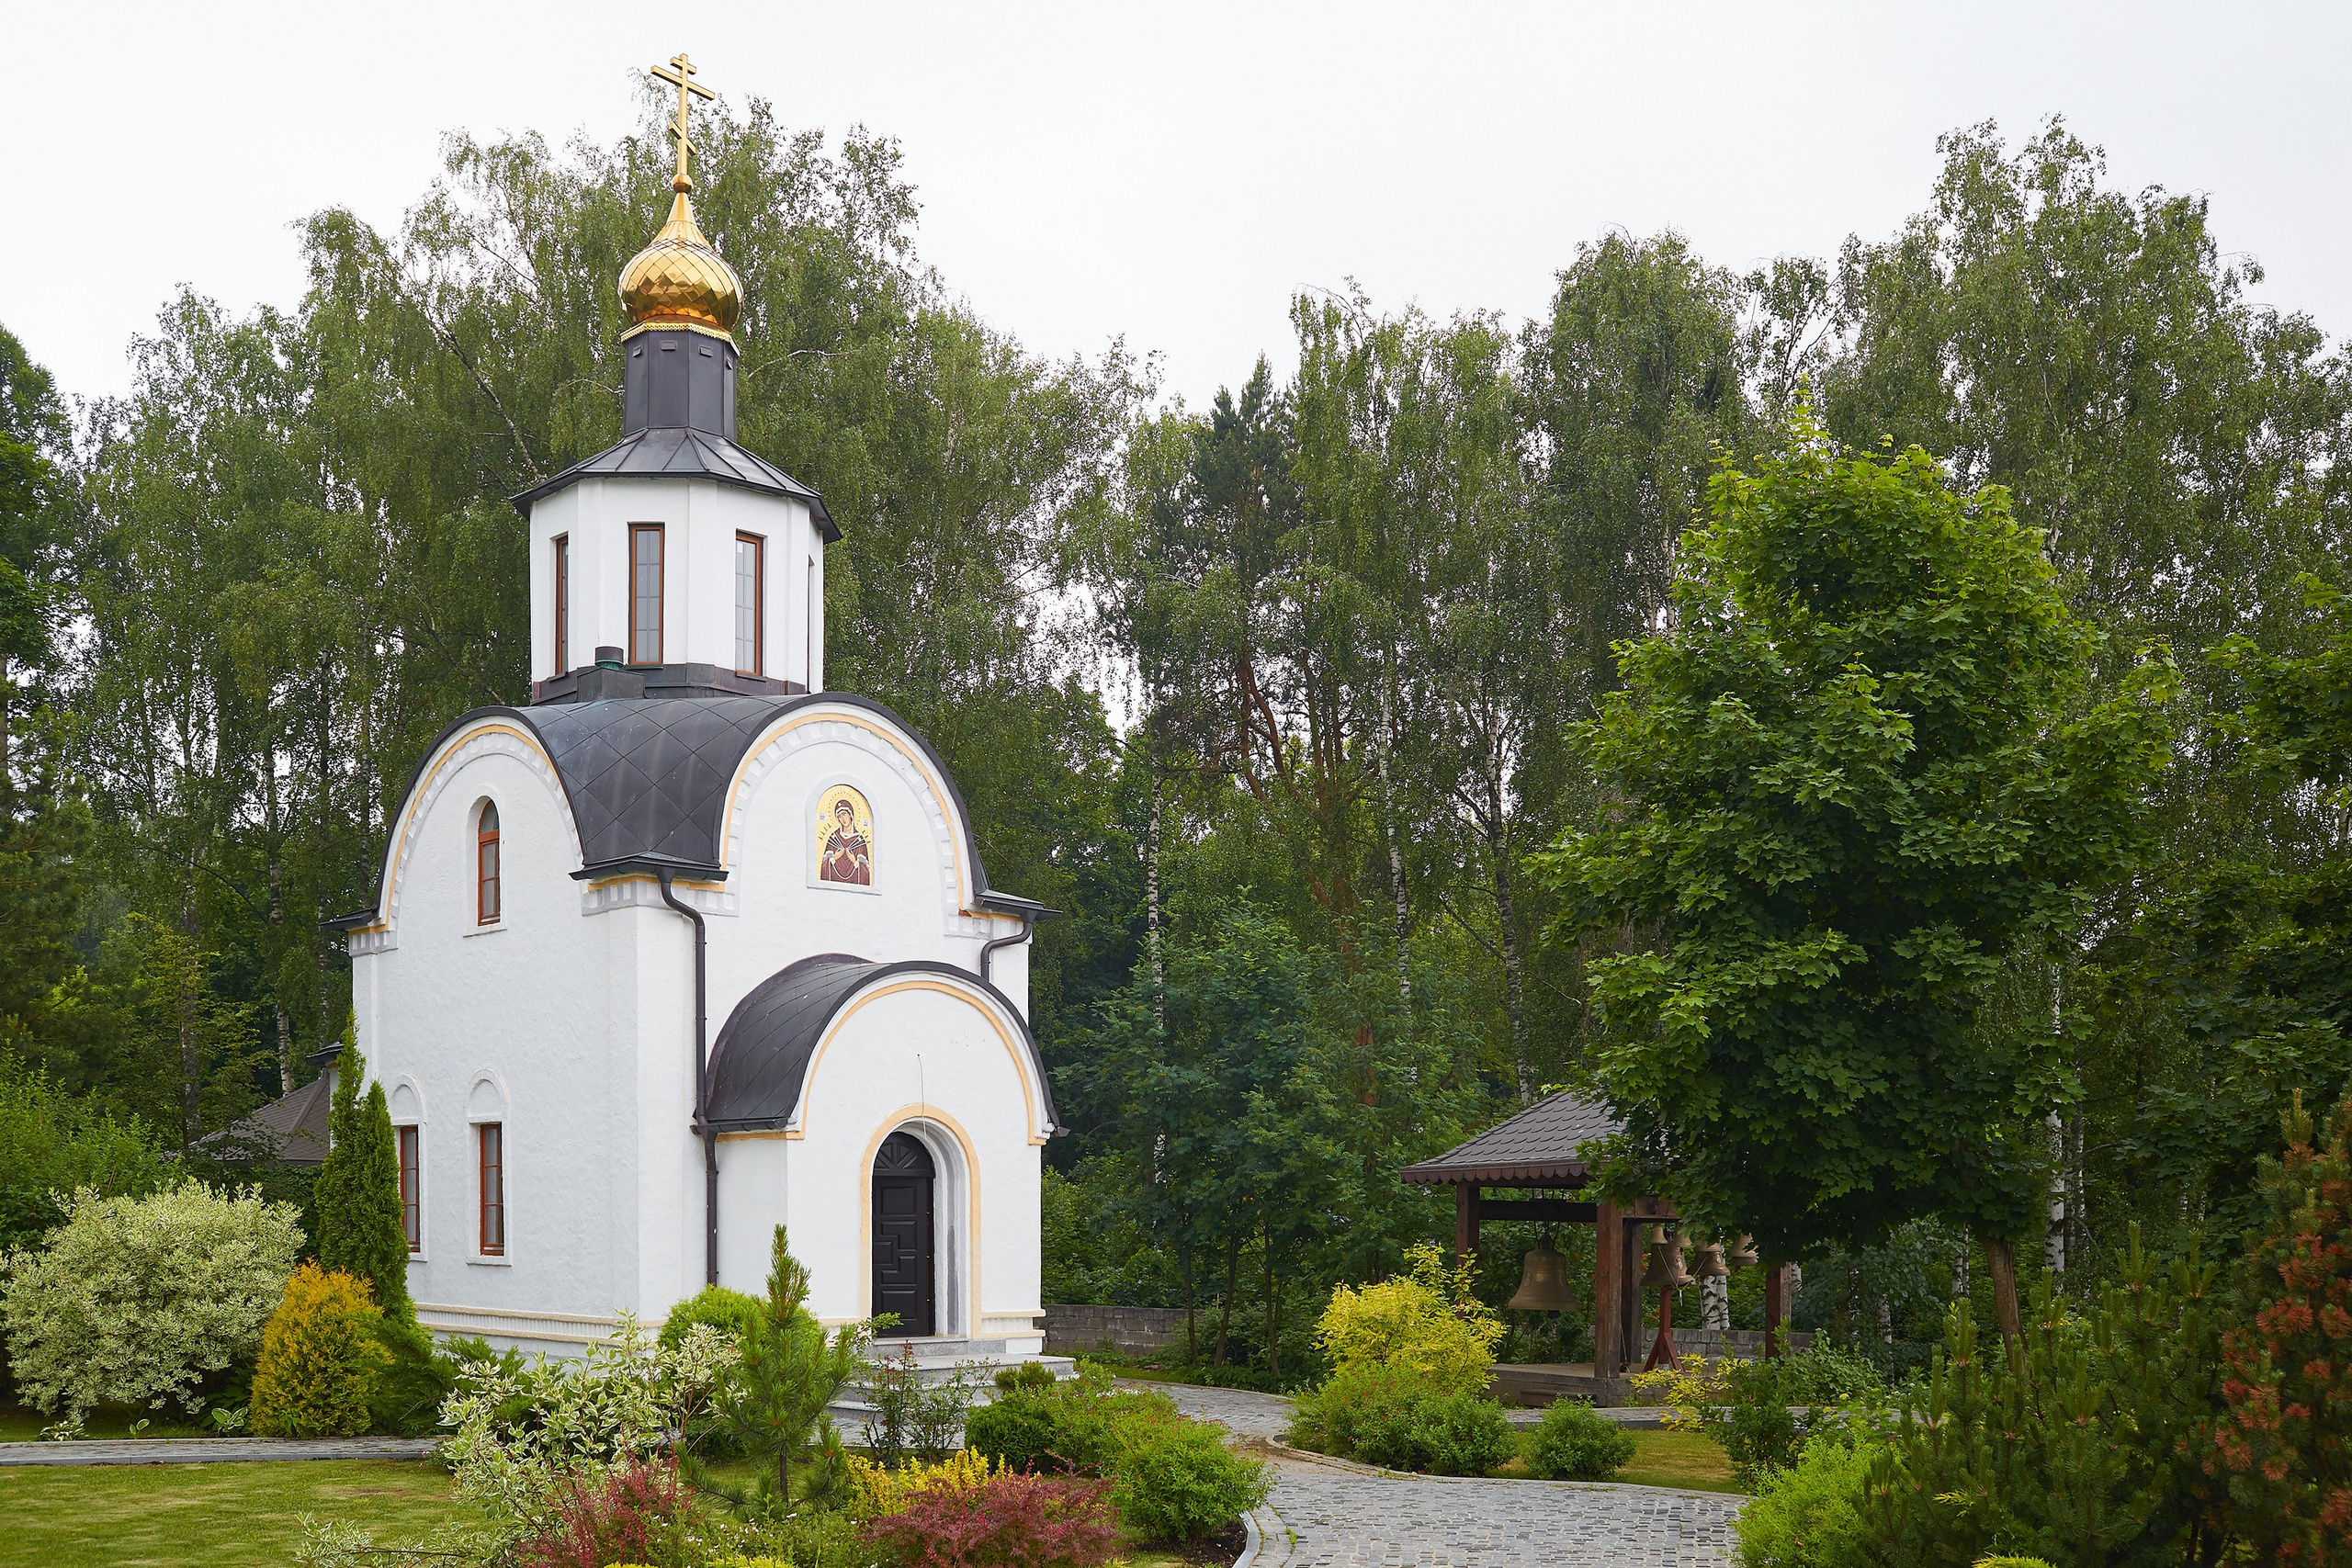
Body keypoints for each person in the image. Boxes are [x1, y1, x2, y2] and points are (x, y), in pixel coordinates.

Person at [820, 797, 872, 885]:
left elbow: (866, 872)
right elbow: (824, 867)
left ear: (850, 815)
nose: (843, 819)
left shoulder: (859, 840)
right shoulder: (833, 838)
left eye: (844, 814)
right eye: (839, 816)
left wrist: (854, 861)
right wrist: (834, 858)